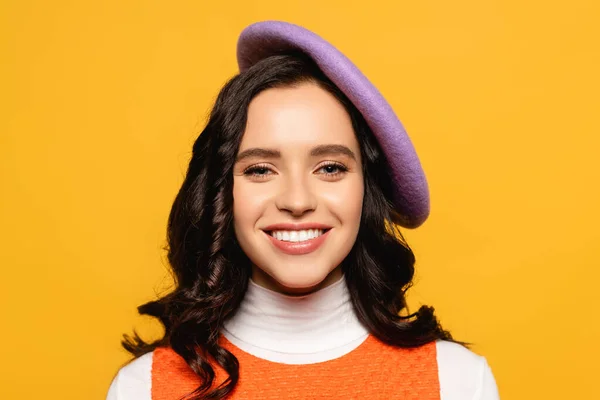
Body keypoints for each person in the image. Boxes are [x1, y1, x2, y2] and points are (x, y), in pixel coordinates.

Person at [106, 20, 500, 400]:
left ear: (367, 188)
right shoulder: (143, 389)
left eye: (330, 168)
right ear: (221, 191)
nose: (297, 201)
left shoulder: (459, 382)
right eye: (260, 170)